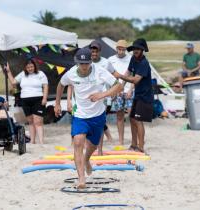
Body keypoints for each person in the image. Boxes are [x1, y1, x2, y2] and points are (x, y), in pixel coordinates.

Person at [54, 48, 122, 188]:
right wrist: (57, 103)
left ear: (91, 61)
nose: (84, 66)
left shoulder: (100, 71)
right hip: (80, 114)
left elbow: (118, 86)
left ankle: (86, 160)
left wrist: (101, 95)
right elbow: (61, 84)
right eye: (81, 63)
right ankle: (81, 179)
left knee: (93, 146)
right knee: (78, 141)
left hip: (97, 115)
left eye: (87, 63)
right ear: (77, 63)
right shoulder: (71, 73)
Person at [118, 38, 153, 153]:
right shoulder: (133, 58)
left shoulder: (144, 63)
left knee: (138, 120)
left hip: (145, 96)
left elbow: (136, 80)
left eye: (138, 49)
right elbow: (128, 72)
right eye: (134, 49)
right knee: (132, 118)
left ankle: (141, 147)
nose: (136, 51)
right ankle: (133, 144)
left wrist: (119, 76)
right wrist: (121, 85)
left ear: (143, 50)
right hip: (137, 94)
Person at [6, 59, 48, 144]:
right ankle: (32, 141)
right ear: (25, 68)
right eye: (28, 67)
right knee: (30, 121)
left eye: (31, 66)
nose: (30, 68)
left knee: (38, 121)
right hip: (25, 100)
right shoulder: (22, 74)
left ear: (35, 66)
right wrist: (8, 71)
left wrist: (44, 98)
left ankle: (41, 141)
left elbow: (45, 86)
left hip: (38, 99)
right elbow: (13, 82)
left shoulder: (40, 74)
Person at [108, 40, 133, 145]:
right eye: (119, 49)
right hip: (117, 91)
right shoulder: (110, 60)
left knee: (133, 116)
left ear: (126, 50)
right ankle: (121, 141)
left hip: (129, 90)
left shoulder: (131, 59)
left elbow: (134, 75)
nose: (121, 51)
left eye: (123, 49)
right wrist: (112, 91)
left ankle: (134, 140)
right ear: (116, 48)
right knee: (119, 116)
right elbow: (108, 76)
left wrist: (131, 89)